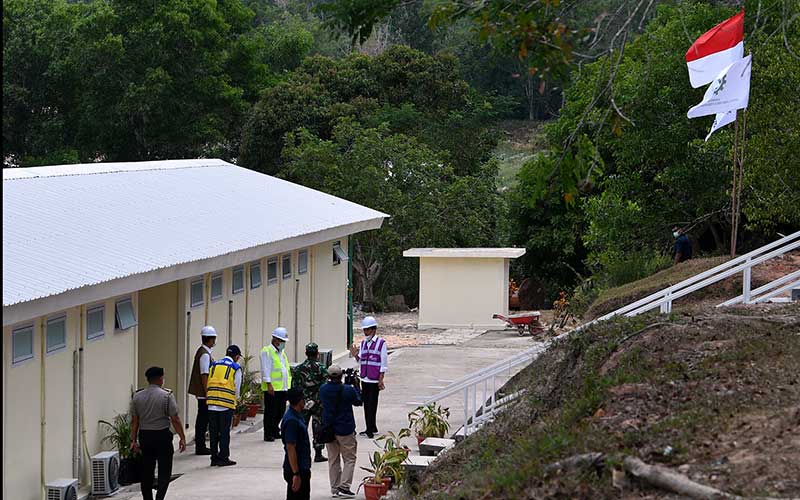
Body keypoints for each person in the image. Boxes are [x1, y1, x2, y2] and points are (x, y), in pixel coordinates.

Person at [130, 366, 186, 500]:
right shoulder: (166, 396)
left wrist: (133, 441)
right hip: (162, 436)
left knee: (147, 470)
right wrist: (182, 437)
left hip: (145, 436)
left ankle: (147, 498)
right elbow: (175, 419)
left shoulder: (137, 397)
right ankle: (160, 497)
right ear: (161, 379)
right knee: (164, 470)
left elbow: (135, 421)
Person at [320, 364, 362, 498]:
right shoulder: (348, 390)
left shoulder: (323, 389)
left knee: (333, 459)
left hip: (329, 429)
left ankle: (335, 488)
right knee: (349, 458)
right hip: (345, 429)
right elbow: (358, 401)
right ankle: (344, 486)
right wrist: (355, 385)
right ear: (341, 376)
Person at [349, 316, 387, 438]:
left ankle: (370, 428)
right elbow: (360, 360)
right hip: (364, 378)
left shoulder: (381, 344)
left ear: (374, 329)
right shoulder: (364, 343)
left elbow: (383, 364)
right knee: (366, 404)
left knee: (372, 404)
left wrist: (381, 380)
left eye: (368, 330)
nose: (366, 332)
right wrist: (355, 355)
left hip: (374, 379)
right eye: (365, 330)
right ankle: (370, 427)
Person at [206, 344, 243, 466]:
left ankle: (214, 458)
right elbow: (237, 388)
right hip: (225, 404)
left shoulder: (214, 364)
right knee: (224, 432)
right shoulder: (235, 367)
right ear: (237, 356)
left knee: (213, 432)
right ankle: (223, 458)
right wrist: (235, 401)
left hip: (211, 403)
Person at [292, 342, 329, 463]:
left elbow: (294, 387)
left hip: (303, 403)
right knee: (317, 426)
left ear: (306, 353)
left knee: (301, 427)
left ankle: (300, 453)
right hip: (317, 403)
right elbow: (325, 387)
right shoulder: (322, 368)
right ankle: (318, 453)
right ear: (317, 353)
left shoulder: (298, 369)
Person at [187, 325, 216, 455]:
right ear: (210, 339)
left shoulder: (203, 352)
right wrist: (207, 393)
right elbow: (204, 375)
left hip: (203, 393)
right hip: (204, 394)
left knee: (202, 419)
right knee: (203, 420)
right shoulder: (204, 355)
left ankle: (201, 445)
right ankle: (200, 446)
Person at [261, 327, 292, 442]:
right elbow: (266, 368)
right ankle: (268, 433)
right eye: (282, 341)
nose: (283, 343)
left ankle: (275, 429)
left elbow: (284, 369)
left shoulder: (281, 352)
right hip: (272, 388)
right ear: (276, 340)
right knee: (270, 411)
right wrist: (269, 384)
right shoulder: (267, 351)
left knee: (280, 410)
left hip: (282, 387)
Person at [281, 387, 312, 500]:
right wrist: (296, 474)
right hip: (296, 468)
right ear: (300, 401)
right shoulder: (292, 421)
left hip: (302, 466)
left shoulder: (296, 415)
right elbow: (290, 447)